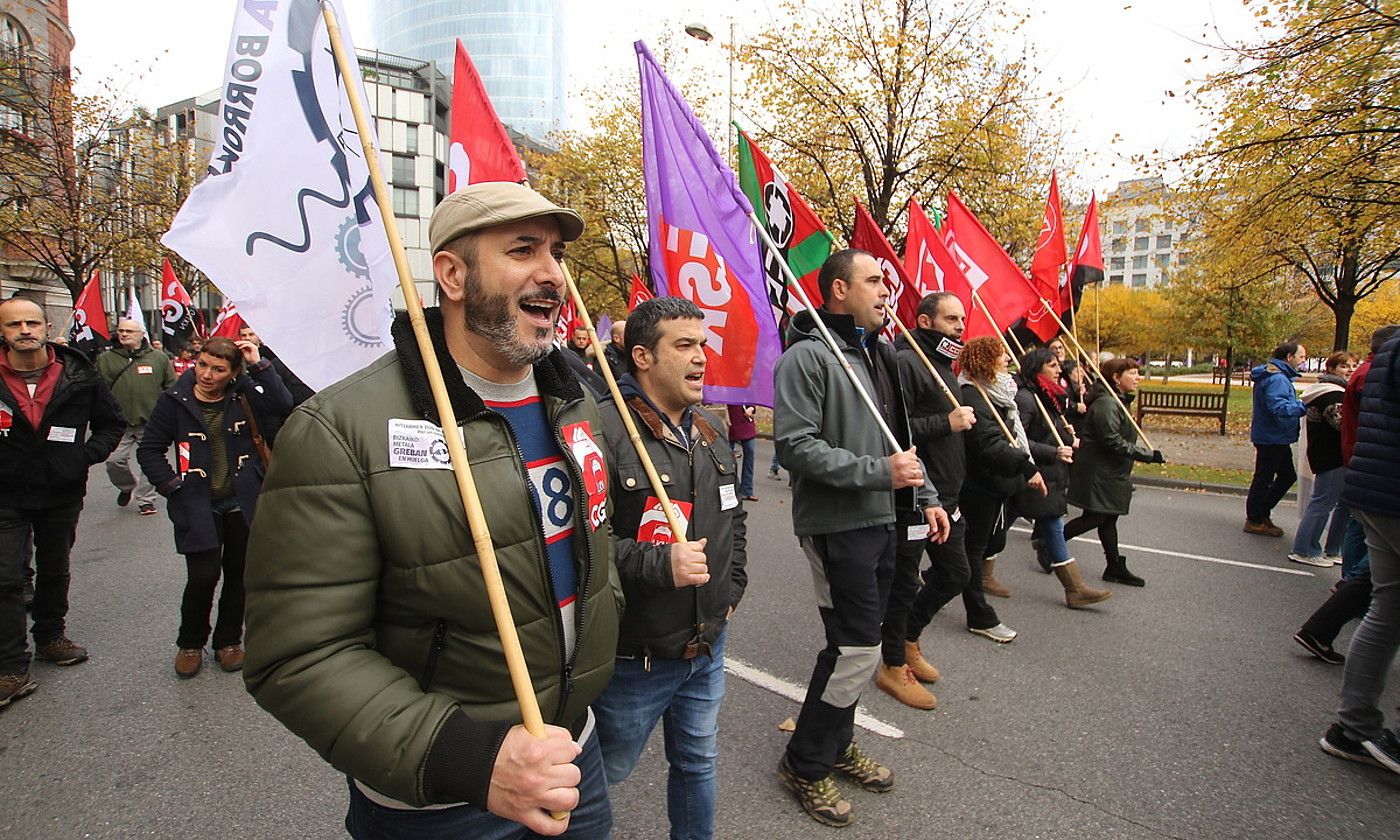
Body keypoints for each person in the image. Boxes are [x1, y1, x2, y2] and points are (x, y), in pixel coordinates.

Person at [242, 182, 622, 838]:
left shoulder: (577, 405)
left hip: (574, 758)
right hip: (444, 802)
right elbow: (298, 653)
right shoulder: (339, 430)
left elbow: (591, 566)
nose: (552, 274)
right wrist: (469, 758)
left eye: (556, 254)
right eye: (523, 250)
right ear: (451, 274)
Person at [772, 249, 948, 827]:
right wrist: (878, 475)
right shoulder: (807, 357)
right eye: (874, 281)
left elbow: (899, 443)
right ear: (838, 291)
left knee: (850, 646)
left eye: (887, 282)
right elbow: (794, 446)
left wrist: (925, 499)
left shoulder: (882, 356)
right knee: (856, 649)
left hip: (885, 520)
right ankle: (805, 762)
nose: (886, 290)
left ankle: (833, 742)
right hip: (836, 526)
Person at [593, 297, 747, 840]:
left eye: (702, 344)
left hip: (707, 646)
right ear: (642, 356)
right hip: (636, 661)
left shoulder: (710, 428)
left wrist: (732, 590)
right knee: (597, 777)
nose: (701, 356)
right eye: (684, 345)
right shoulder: (605, 431)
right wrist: (661, 564)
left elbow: (735, 519)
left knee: (698, 763)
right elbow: (582, 546)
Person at [137, 336, 291, 678]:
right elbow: (149, 449)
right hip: (197, 502)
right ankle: (190, 643)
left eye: (218, 369)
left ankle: (228, 642)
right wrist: (171, 486)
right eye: (202, 365)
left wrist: (258, 363)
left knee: (239, 575)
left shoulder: (242, 394)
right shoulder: (174, 400)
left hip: (242, 499)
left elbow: (281, 403)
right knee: (203, 576)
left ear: (233, 372)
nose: (207, 374)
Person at [0, 298, 124, 709]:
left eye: (32, 322)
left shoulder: (79, 373)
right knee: (7, 578)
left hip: (61, 491)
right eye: (14, 324)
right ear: (3, 331)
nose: (24, 330)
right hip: (7, 494)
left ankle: (51, 635)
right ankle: (12, 665)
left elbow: (112, 423)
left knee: (55, 567)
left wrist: (84, 456)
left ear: (45, 324)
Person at [879, 292, 975, 710]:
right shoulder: (907, 360)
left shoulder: (940, 362)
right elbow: (894, 428)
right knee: (904, 584)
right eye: (951, 318)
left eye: (962, 319)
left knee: (955, 574)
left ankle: (909, 636)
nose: (959, 326)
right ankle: (892, 663)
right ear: (924, 320)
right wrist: (947, 422)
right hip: (919, 494)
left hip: (948, 495)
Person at [1319, 331, 1400, 775]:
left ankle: (1353, 727)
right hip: (1386, 488)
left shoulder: (1382, 360)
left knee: (1387, 606)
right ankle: (1353, 725)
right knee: (1382, 600)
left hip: (1373, 482)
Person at [949, 337, 1046, 638]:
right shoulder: (972, 396)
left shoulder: (996, 393)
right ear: (984, 361)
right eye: (1000, 355)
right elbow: (988, 445)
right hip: (978, 485)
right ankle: (979, 614)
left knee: (974, 549)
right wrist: (1026, 466)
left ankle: (939, 578)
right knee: (973, 550)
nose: (1007, 360)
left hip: (995, 483)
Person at [1013, 346, 1111, 608]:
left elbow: (1049, 431)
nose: (1059, 370)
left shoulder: (1050, 397)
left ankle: (1074, 588)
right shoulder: (1026, 399)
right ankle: (963, 573)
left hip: (1050, 473)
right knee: (994, 530)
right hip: (1034, 472)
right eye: (1052, 365)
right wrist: (1053, 451)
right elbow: (1018, 440)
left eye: (1058, 365)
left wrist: (1068, 437)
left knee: (1052, 524)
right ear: (1037, 369)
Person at [1063, 358, 1165, 586]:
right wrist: (1147, 455)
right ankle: (1051, 542)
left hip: (1111, 470)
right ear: (1116, 378)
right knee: (1097, 516)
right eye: (1132, 373)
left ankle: (1114, 566)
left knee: (1109, 518)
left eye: (1138, 372)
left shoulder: (1118, 400)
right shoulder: (1107, 403)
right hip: (1100, 471)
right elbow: (1111, 439)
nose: (1138, 377)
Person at [96, 318, 177, 516]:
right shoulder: (106, 359)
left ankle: (146, 500)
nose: (124, 334)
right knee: (114, 461)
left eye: (129, 331)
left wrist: (171, 415)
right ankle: (126, 486)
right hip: (118, 424)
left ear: (142, 334)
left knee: (151, 461)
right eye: (121, 331)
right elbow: (98, 389)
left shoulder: (159, 358)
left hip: (151, 422)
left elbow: (172, 388)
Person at [1288, 351, 1356, 567]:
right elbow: (1341, 424)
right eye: (1344, 366)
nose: (1350, 370)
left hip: (1332, 455)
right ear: (1331, 369)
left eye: (1353, 365)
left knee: (1340, 504)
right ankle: (1304, 549)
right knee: (1322, 502)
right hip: (1332, 456)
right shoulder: (1331, 394)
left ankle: (1333, 548)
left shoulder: (1333, 391)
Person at [1244, 341, 1308, 536]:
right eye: (1301, 357)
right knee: (1265, 477)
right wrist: (1305, 406)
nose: (1303, 361)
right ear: (1289, 357)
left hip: (1275, 436)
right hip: (1272, 436)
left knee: (1285, 476)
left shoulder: (1276, 375)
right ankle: (1255, 518)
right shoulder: (1277, 379)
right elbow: (1278, 408)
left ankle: (1261, 511)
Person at [237, 324, 314, 407]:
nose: (247, 338)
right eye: (244, 335)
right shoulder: (238, 358)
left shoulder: (273, 355)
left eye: (251, 334)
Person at [727, 403, 759, 502]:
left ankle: (747, 490)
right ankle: (728, 491)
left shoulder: (747, 387)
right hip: (730, 423)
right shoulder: (724, 388)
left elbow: (751, 399)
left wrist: (751, 408)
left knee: (750, 454)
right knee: (727, 460)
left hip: (746, 423)